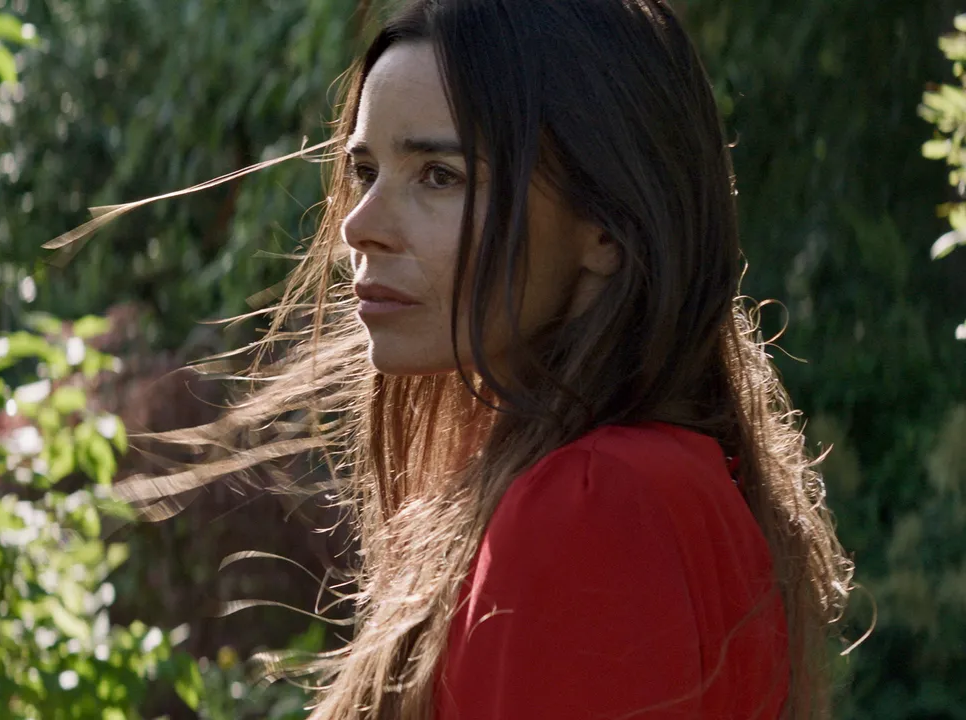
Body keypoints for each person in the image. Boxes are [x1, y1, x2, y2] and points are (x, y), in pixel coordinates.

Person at [49, 0, 857, 717]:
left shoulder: (595, 504)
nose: (359, 225)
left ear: (607, 227)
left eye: (438, 175)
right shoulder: (665, 481)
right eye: (364, 171)